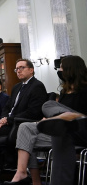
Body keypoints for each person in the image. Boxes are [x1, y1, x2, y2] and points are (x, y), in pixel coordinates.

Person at [35, 55, 87, 185]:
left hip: (82, 129)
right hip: (67, 128)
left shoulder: (85, 90)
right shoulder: (64, 92)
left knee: (56, 122)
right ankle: (26, 176)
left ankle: (62, 119)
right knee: (25, 127)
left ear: (71, 69)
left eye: (62, 67)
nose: (59, 70)